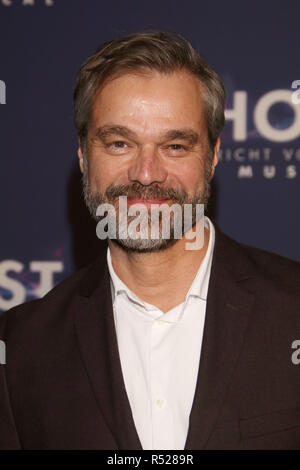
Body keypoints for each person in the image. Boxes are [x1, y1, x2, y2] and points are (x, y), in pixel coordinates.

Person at [0, 31, 300, 451]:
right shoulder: (20, 349)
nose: (145, 173)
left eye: (175, 145)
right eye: (120, 143)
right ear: (84, 156)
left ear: (213, 154)